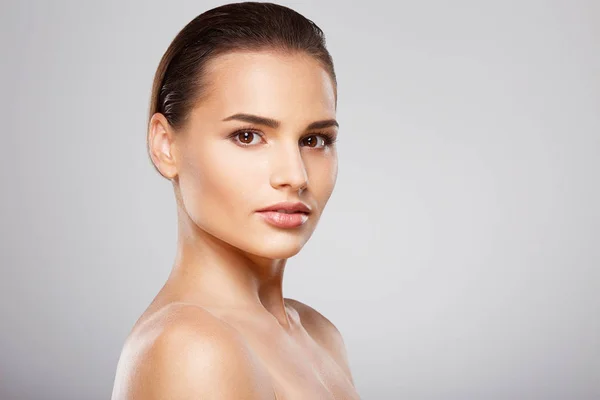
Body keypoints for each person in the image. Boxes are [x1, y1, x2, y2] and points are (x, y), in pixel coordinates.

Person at [111, 2, 359, 399]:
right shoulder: (191, 347)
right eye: (248, 135)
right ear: (165, 146)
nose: (295, 176)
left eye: (314, 140)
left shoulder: (319, 335)